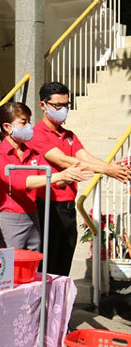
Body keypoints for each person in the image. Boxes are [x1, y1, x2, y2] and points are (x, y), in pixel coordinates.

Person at [27, 82, 131, 276]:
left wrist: (113, 167)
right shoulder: (37, 134)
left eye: (66, 105)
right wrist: (108, 170)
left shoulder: (68, 135)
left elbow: (85, 157)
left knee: (63, 268)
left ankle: (60, 306)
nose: (63, 110)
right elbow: (66, 161)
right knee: (47, 269)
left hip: (68, 207)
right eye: (57, 106)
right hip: (47, 207)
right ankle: (44, 306)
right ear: (43, 105)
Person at [0, 102, 92, 251]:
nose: (29, 126)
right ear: (7, 127)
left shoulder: (32, 153)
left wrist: (71, 175)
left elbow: (53, 178)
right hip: (10, 219)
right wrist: (58, 176)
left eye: (29, 121)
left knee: (32, 268)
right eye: (24, 122)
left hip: (32, 218)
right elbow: (17, 182)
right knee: (9, 268)